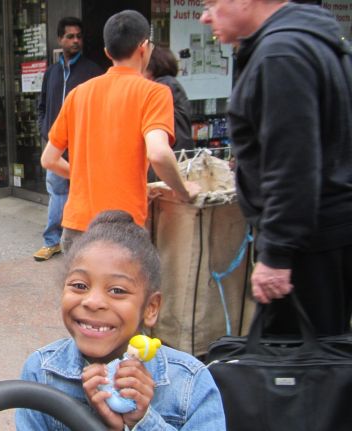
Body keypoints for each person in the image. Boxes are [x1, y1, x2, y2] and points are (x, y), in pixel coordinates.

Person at [200, 1, 352, 335]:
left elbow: (293, 163)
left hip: (307, 247)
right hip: (320, 237)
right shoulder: (304, 41)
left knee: (299, 357)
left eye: (212, 4)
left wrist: (277, 255)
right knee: (319, 350)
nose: (205, 16)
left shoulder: (281, 54)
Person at [16, 210, 226, 430]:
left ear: (151, 308)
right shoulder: (41, 372)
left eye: (117, 290)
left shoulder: (190, 382)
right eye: (79, 285)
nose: (93, 302)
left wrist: (141, 422)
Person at [41, 11, 200, 252]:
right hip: (122, 229)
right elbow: (158, 153)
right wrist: (184, 191)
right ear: (144, 47)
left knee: (79, 279)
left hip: (76, 228)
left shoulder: (77, 94)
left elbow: (49, 159)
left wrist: (87, 177)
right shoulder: (154, 93)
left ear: (107, 52)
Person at [34, 17, 102, 262]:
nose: (75, 41)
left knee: (85, 195)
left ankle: (85, 244)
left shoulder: (93, 72)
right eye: (70, 36)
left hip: (84, 147)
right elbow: (42, 105)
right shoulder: (51, 73)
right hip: (56, 147)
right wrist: (45, 130)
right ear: (59, 39)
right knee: (57, 193)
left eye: (78, 37)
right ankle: (52, 242)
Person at [144, 47, 193, 155]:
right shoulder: (170, 83)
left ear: (152, 66)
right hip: (178, 150)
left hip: (173, 152)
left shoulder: (163, 86)